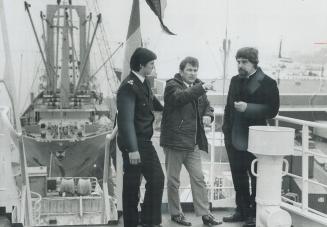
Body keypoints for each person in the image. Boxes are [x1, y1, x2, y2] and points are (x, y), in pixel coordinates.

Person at [222, 47, 280, 227]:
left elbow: (272, 110)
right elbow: (228, 107)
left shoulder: (268, 82)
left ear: (254, 62)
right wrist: (225, 130)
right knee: (238, 176)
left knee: (256, 177)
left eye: (244, 62)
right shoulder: (234, 80)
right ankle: (241, 211)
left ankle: (254, 215)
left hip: (256, 138)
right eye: (238, 61)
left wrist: (248, 108)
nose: (240, 65)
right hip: (234, 137)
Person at [160, 57, 221, 226]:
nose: (193, 74)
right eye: (189, 70)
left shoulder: (198, 86)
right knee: (173, 180)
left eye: (195, 70)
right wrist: (201, 88)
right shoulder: (172, 85)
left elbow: (207, 106)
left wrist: (208, 115)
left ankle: (205, 214)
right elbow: (180, 98)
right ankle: (176, 213)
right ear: (181, 71)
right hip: (174, 142)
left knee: (199, 178)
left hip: (192, 144)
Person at [117, 47, 164, 227]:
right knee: (132, 185)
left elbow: (154, 104)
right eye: (151, 64)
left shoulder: (143, 82)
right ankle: (132, 222)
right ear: (141, 65)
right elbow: (126, 121)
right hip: (135, 144)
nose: (153, 67)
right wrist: (132, 150)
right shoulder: (128, 87)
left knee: (156, 180)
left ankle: (148, 220)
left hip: (144, 141)